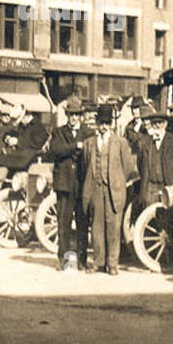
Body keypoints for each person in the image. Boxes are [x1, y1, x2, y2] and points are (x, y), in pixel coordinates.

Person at [82, 105, 139, 275]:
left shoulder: (120, 142)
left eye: (107, 123)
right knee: (97, 226)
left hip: (114, 189)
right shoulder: (89, 143)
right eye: (101, 123)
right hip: (96, 189)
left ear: (111, 124)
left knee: (113, 226)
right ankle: (99, 262)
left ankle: (112, 264)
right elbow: (85, 164)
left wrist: (118, 180)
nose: (104, 126)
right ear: (96, 123)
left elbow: (128, 166)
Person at [48, 97, 90, 270]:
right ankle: (64, 260)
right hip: (64, 184)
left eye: (77, 115)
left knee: (82, 223)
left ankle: (81, 261)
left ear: (81, 116)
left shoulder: (88, 133)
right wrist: (75, 146)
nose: (74, 118)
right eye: (71, 114)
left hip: (81, 184)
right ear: (67, 115)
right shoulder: (58, 132)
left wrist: (75, 147)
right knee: (63, 225)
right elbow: (55, 150)